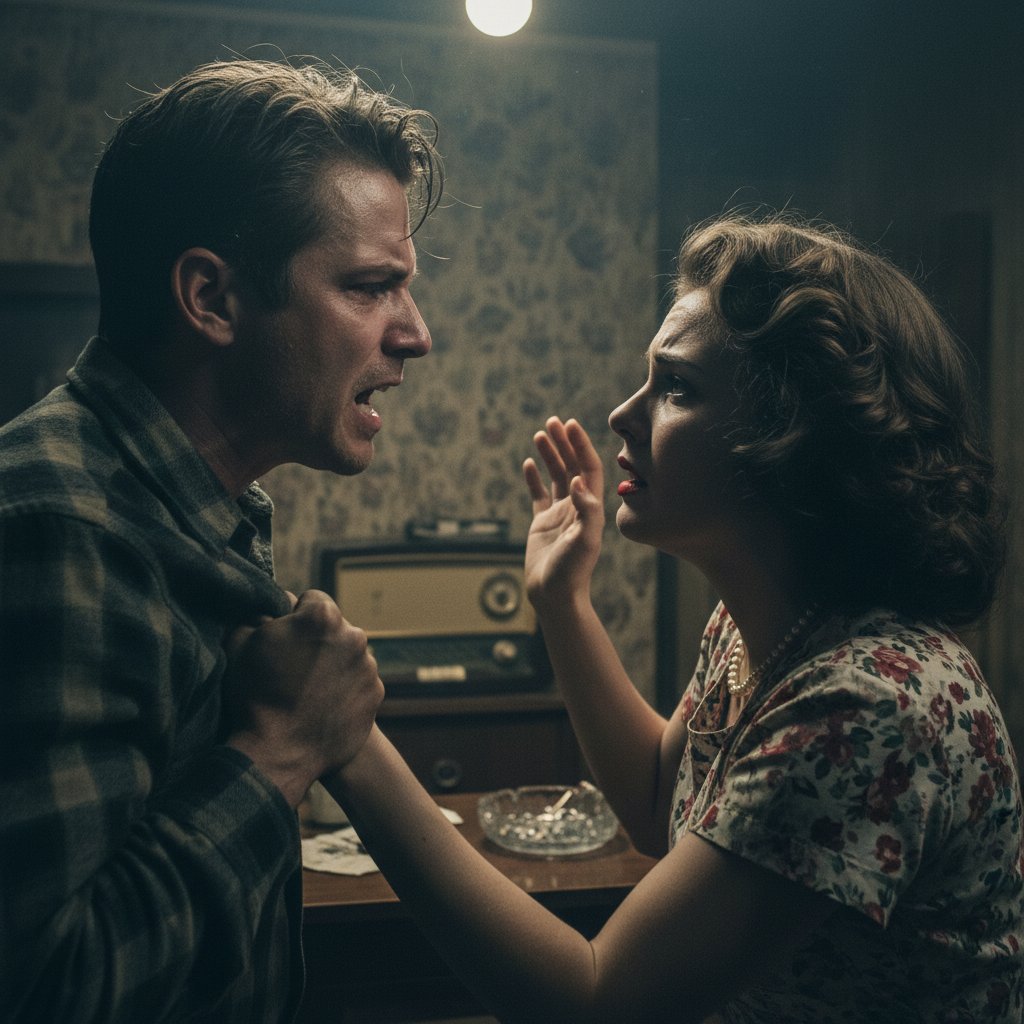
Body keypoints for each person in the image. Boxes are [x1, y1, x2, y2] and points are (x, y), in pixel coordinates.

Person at [233, 213, 1023, 1022]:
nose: (622, 412)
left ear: (793, 437)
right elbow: (655, 801)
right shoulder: (767, 630)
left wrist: (347, 737)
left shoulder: (868, 706)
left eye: (676, 386)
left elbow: (599, 1002)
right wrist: (560, 601)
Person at [0, 58, 441, 1023]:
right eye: (371, 287)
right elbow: (46, 990)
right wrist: (282, 749)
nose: (415, 334)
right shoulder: (58, 528)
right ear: (211, 299)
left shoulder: (188, 509)